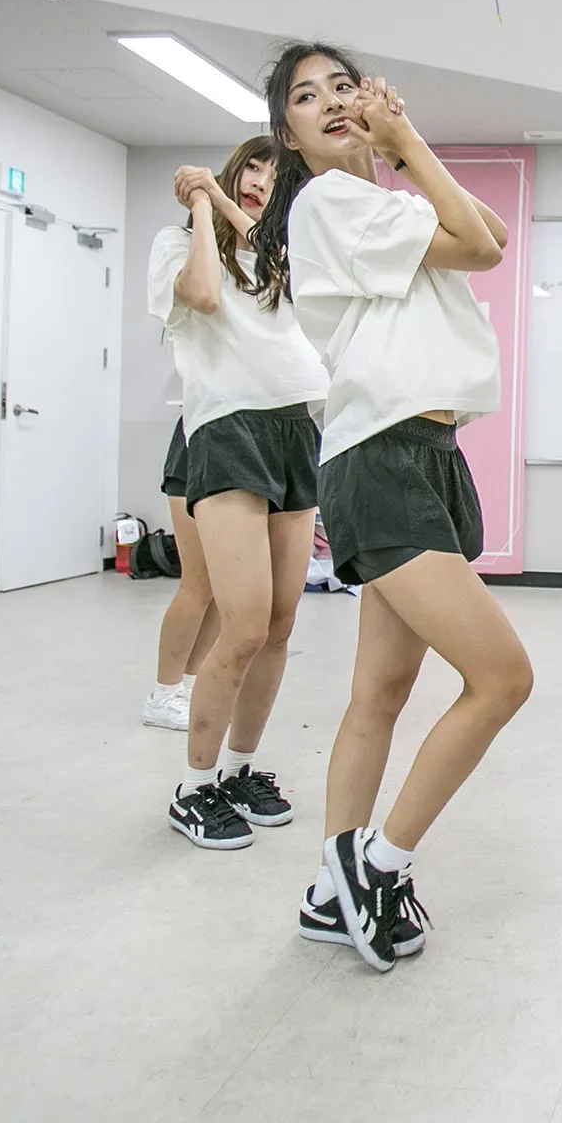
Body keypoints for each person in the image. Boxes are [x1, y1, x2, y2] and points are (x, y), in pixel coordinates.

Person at [263, 42, 531, 973]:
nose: (332, 102)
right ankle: (376, 864)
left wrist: (404, 149)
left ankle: (327, 892)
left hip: (424, 448)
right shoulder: (330, 201)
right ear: (288, 135)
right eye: (307, 97)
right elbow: (485, 245)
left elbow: (485, 228)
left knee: (378, 692)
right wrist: (402, 137)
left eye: (343, 86)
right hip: (382, 453)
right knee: (502, 678)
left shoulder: (384, 204)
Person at [150, 135, 328, 850]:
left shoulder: (278, 257)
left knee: (281, 624)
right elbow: (200, 294)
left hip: (295, 430)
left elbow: (281, 271)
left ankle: (239, 768)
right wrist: (200, 208)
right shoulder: (179, 243)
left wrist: (219, 196)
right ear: (233, 169)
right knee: (244, 622)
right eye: (251, 167)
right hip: (226, 430)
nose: (260, 181)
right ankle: (192, 786)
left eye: (275, 174)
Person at [140, 420, 220, 731]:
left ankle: (188, 685)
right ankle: (164, 694)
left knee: (221, 585)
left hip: (242, 455)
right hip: (201, 448)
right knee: (199, 583)